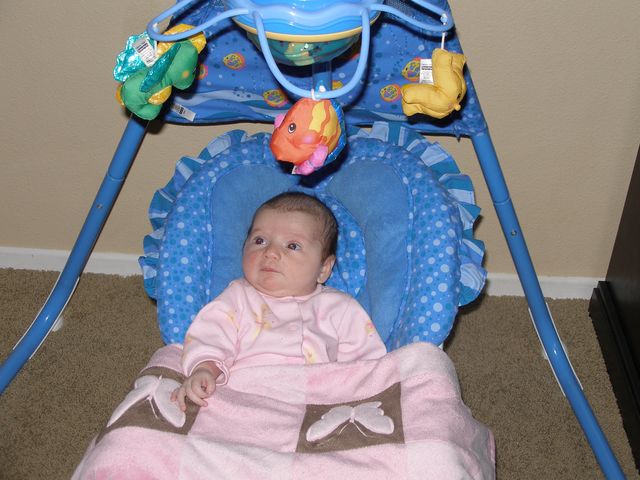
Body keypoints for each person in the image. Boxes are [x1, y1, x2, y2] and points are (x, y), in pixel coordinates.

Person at [171, 191, 387, 411]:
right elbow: (211, 335)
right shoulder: (237, 297)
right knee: (167, 370)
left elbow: (367, 364)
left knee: (405, 366)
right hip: (245, 397)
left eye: (292, 245)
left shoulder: (340, 307)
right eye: (260, 240)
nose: (271, 252)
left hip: (317, 402)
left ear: (323, 269)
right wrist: (205, 369)